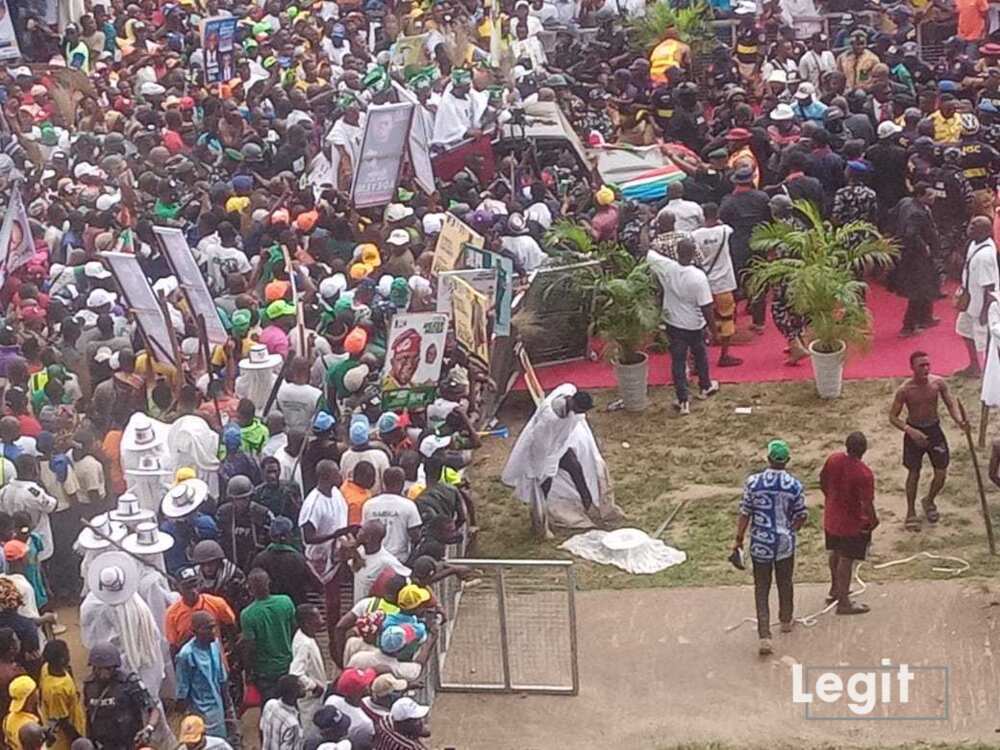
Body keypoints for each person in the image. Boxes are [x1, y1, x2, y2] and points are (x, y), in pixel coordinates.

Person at [732, 440, 807, 656]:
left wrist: (738, 540)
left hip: (761, 543)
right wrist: (792, 530)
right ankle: (785, 619)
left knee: (761, 587)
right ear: (787, 461)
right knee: (785, 582)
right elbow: (802, 515)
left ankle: (764, 635)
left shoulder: (754, 483)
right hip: (784, 543)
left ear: (768, 459)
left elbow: (745, 512)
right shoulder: (794, 485)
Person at [889, 351, 967, 529]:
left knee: (941, 472)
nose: (925, 368)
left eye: (927, 365)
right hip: (913, 432)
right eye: (921, 365)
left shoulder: (937, 384)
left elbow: (950, 403)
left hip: (934, 431)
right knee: (913, 473)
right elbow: (893, 417)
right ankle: (910, 511)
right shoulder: (905, 390)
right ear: (912, 368)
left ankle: (929, 500)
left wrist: (959, 420)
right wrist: (910, 431)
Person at [646, 236, 719, 414]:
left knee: (678, 362)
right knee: (700, 355)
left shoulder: (666, 268)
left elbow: (647, 252)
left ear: (677, 252)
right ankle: (705, 386)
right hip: (694, 325)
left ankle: (683, 400)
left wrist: (646, 226)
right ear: (694, 253)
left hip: (673, 324)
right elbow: (706, 307)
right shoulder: (698, 277)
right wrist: (714, 330)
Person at [820, 432, 877, 616]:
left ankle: (835, 590)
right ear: (864, 449)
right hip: (852, 523)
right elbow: (867, 503)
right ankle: (843, 603)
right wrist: (873, 520)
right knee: (846, 559)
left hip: (831, 516)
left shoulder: (834, 459)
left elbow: (822, 481)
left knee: (834, 552)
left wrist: (831, 499)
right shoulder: (864, 474)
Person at [82, 642, 160, 750]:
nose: (103, 673)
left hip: (129, 744)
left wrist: (149, 728)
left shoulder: (129, 683)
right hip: (103, 745)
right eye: (99, 668)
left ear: (114, 667)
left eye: (107, 668)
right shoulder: (89, 686)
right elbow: (89, 715)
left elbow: (153, 709)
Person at [240, 568, 296, 702]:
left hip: (265, 671)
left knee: (270, 708)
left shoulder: (248, 614)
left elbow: (250, 646)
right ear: (269, 583)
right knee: (291, 705)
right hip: (288, 664)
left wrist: (248, 672)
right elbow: (294, 629)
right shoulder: (285, 602)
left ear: (250, 588)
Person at [175, 611, 231, 742]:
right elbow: (182, 691)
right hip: (200, 713)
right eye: (207, 628)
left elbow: (222, 679)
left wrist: (228, 707)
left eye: (213, 627)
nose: (212, 631)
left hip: (218, 709)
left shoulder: (215, 645)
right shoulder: (186, 655)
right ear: (195, 631)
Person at [955, 216, 999, 378]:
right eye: (971, 224)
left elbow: (990, 287)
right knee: (965, 332)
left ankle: (990, 372)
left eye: (975, 227)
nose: (969, 228)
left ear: (986, 231)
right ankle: (974, 366)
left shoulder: (985, 256)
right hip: (970, 302)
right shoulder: (974, 244)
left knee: (986, 340)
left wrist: (984, 313)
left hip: (981, 305)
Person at [362, 468, 423, 562]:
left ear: (384, 482)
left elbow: (364, 532)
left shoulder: (369, 504)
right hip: (399, 559)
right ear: (403, 483)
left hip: (374, 558)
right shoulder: (408, 505)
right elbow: (415, 535)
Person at [38, 640, 85, 750]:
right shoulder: (56, 691)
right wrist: (78, 740)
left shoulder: (46, 668)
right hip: (64, 739)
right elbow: (63, 721)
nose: (69, 654)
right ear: (62, 659)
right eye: (66, 652)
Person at [289, 604, 326, 731]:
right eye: (317, 617)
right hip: (311, 700)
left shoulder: (305, 637)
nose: (322, 620)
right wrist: (314, 686)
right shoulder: (304, 644)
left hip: (315, 697)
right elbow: (295, 673)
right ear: (307, 623)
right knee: (311, 731)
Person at [259, 674, 304, 750]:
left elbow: (262, 727)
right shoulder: (292, 725)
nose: (304, 687)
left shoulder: (270, 705)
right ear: (294, 693)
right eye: (300, 686)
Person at [3, 675, 40, 750]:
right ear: (30, 697)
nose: (38, 692)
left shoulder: (7, 719)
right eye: (35, 690)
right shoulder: (30, 729)